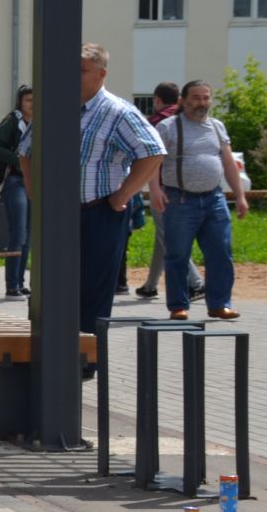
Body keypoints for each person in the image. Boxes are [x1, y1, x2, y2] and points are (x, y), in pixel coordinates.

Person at [19, 46, 164, 337]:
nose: (73, 77)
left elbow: (152, 153)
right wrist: (34, 191)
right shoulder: (54, 107)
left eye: (81, 70)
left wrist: (123, 195)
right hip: (57, 214)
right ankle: (49, 356)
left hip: (100, 213)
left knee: (93, 290)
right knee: (51, 287)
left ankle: (85, 361)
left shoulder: (118, 111)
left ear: (102, 74)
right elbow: (25, 151)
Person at [151, 79, 247, 321]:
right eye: (195, 98)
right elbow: (153, 160)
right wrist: (154, 189)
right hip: (180, 200)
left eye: (206, 98)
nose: (201, 103)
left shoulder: (217, 126)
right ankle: (178, 306)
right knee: (177, 255)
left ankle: (219, 304)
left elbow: (227, 162)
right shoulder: (168, 127)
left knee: (221, 254)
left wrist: (240, 195)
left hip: (214, 199)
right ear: (183, 100)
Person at [136, 82, 206, 301]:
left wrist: (151, 187)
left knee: (168, 236)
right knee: (162, 236)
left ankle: (196, 283)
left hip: (166, 189)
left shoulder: (158, 123)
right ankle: (150, 285)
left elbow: (149, 157)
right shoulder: (181, 120)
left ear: (157, 100)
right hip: (181, 190)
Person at [0, 86, 33, 297]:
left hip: (33, 182)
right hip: (15, 182)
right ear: (20, 102)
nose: (32, 104)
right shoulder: (13, 120)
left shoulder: (39, 122)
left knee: (29, 235)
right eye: (28, 100)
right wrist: (19, 162)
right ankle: (12, 284)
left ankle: (20, 282)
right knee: (18, 232)